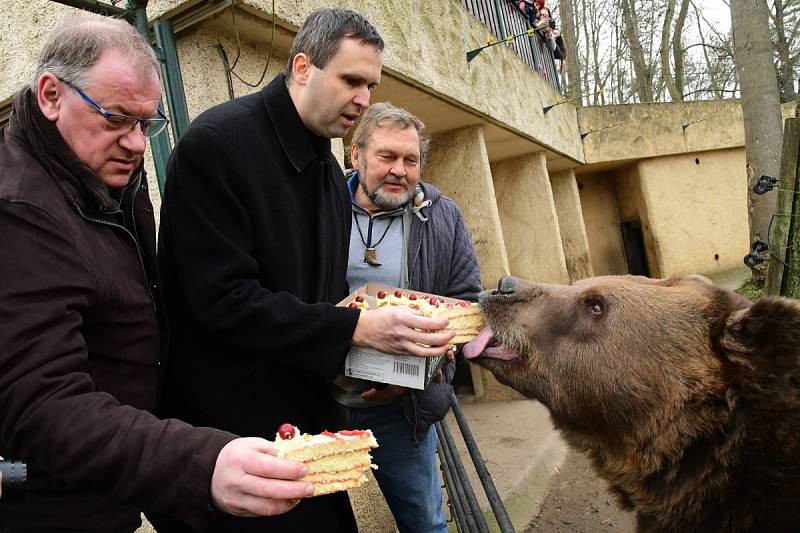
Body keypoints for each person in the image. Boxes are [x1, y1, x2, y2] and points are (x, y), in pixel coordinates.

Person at [0, 17, 316, 532]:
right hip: (53, 505)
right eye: (117, 119)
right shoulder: (18, 209)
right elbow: (42, 402)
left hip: (116, 482)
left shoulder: (105, 173)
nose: (137, 144)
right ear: (51, 95)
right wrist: (199, 462)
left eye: (147, 124)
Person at [154, 8, 455, 532]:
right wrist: (358, 329)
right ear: (301, 67)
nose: (363, 99)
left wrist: (371, 367)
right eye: (351, 80)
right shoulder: (217, 145)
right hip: (234, 447)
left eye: (371, 84)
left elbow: (320, 300)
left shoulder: (325, 167)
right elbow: (222, 300)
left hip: (308, 435)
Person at [333, 103, 482, 532]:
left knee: (425, 524)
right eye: (387, 157)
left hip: (402, 409)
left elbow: (466, 308)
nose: (400, 170)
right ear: (356, 155)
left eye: (410, 160)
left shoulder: (441, 216)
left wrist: (414, 375)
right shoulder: (318, 206)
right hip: (316, 399)